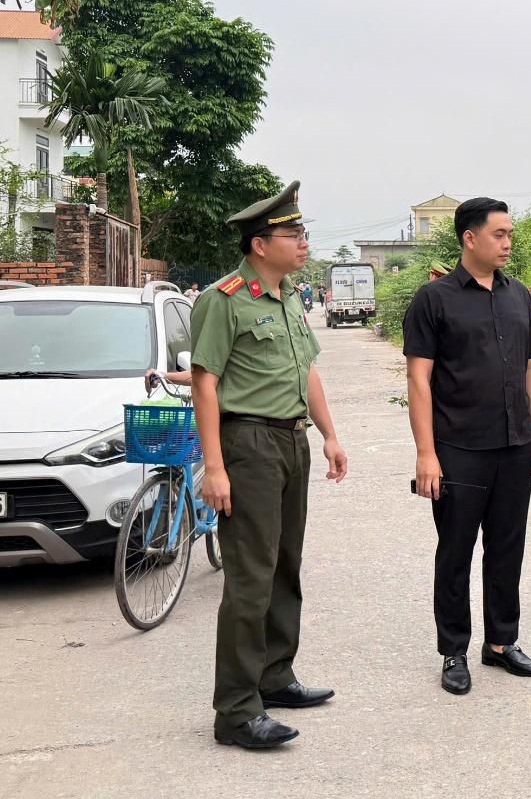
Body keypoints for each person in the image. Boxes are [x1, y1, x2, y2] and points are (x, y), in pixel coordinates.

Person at [189, 180, 349, 750]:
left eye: (303, 232)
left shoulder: (288, 298)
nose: (304, 242)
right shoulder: (224, 298)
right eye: (293, 234)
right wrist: (214, 466)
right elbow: (205, 384)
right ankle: (235, 711)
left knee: (285, 566)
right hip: (247, 444)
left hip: (291, 442)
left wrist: (328, 434)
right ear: (260, 243)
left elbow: (306, 371)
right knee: (250, 579)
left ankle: (275, 678)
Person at [403, 197, 531, 696]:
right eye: (499, 234)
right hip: (459, 447)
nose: (508, 243)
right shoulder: (434, 300)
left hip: (513, 444)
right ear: (470, 238)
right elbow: (419, 380)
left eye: (510, 234)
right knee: (456, 551)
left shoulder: (518, 296)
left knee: (507, 548)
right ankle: (453, 651)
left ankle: (501, 644)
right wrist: (427, 453)